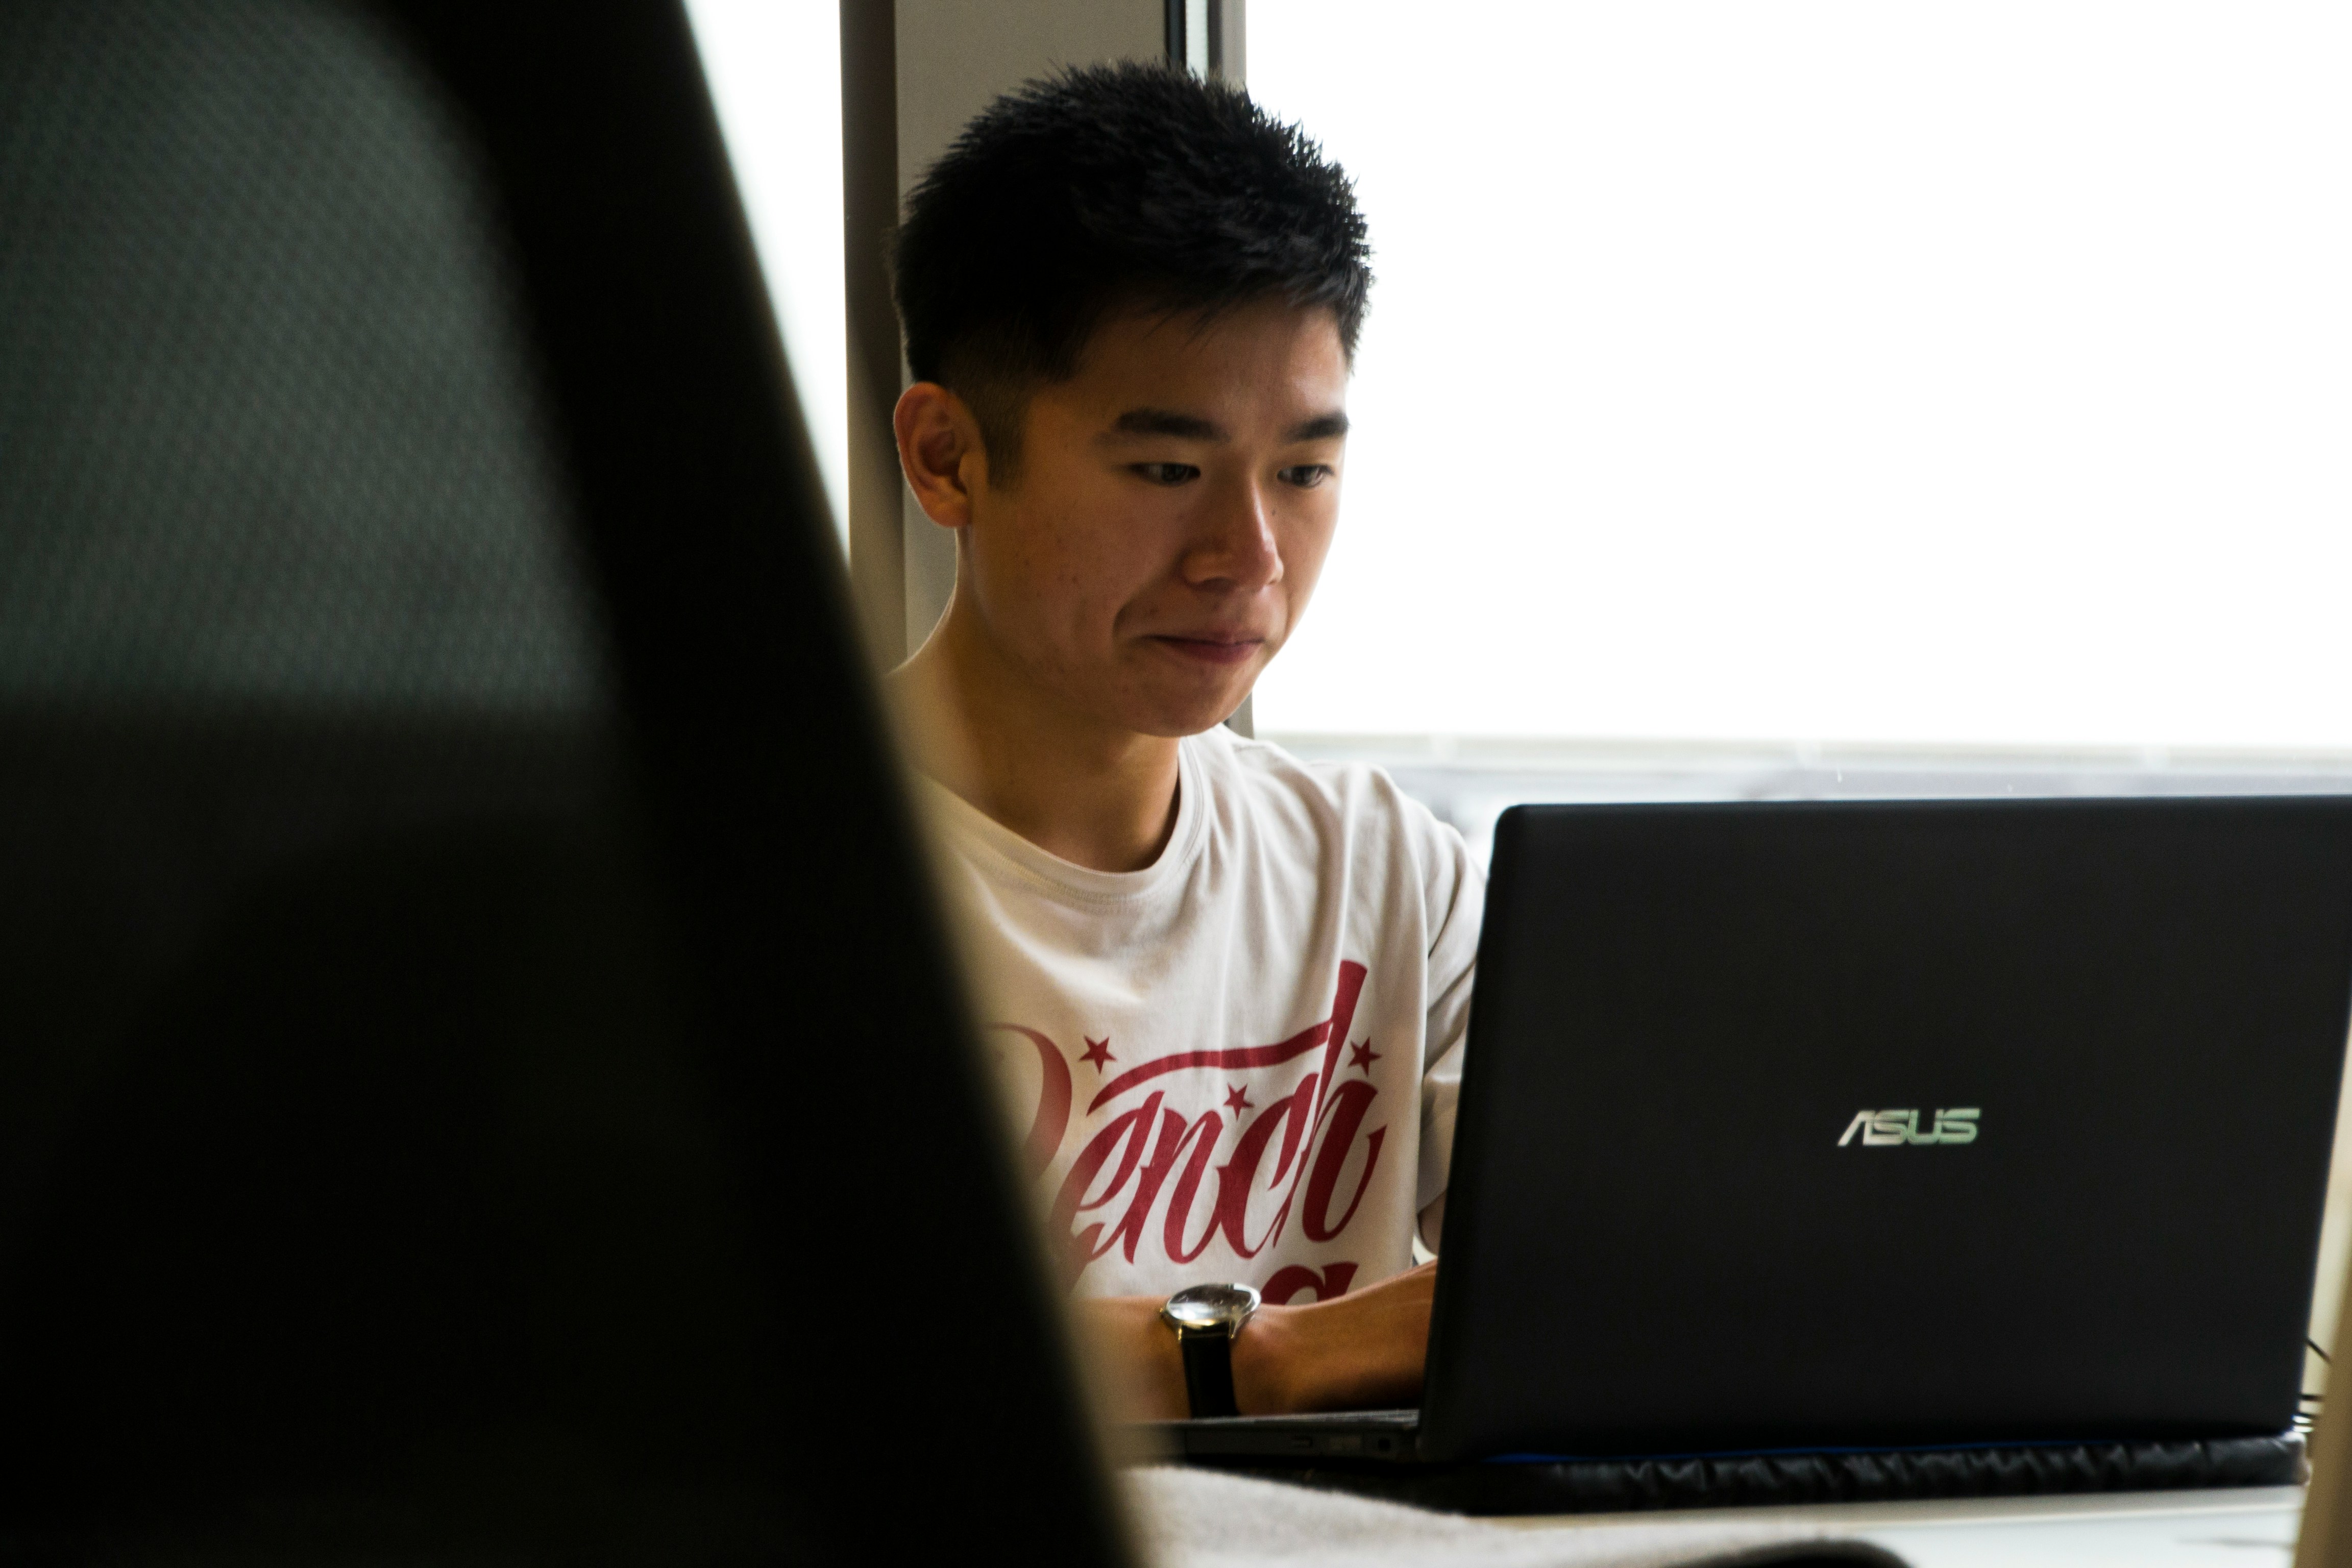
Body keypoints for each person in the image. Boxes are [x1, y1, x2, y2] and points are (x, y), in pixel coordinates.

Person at [887, 62, 1478, 1424]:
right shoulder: (730, 877)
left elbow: (1628, 1267)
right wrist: (1257, 1360)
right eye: (1168, 470)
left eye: (1305, 470)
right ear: (948, 460)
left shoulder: (1390, 877)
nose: (1249, 558)